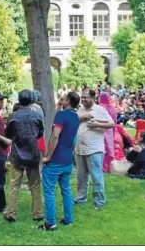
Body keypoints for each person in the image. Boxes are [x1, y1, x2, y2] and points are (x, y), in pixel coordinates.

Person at [38, 92, 80, 230]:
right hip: (67, 159)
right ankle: (69, 219)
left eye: (64, 99)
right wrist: (58, 105)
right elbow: (73, 139)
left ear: (68, 101)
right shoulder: (75, 117)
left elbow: (55, 136)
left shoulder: (62, 115)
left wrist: (48, 156)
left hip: (56, 159)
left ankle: (50, 223)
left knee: (49, 191)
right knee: (66, 190)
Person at [3, 89, 45, 223]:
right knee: (35, 185)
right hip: (33, 154)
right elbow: (40, 133)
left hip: (17, 155)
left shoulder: (13, 116)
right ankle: (37, 213)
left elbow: (8, 134)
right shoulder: (36, 116)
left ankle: (11, 213)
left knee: (14, 186)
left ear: (19, 100)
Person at [74, 89, 114, 210]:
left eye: (86, 97)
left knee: (96, 176)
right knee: (81, 176)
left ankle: (99, 201)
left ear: (93, 97)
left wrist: (97, 124)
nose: (83, 100)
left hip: (94, 148)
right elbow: (74, 122)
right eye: (82, 97)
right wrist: (82, 117)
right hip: (80, 148)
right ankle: (81, 198)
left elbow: (111, 124)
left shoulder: (100, 110)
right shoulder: (80, 109)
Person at [99, 92, 117, 173]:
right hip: (110, 128)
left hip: (100, 128)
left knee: (101, 148)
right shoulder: (112, 108)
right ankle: (109, 166)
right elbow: (115, 120)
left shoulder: (99, 107)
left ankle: (102, 166)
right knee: (109, 147)